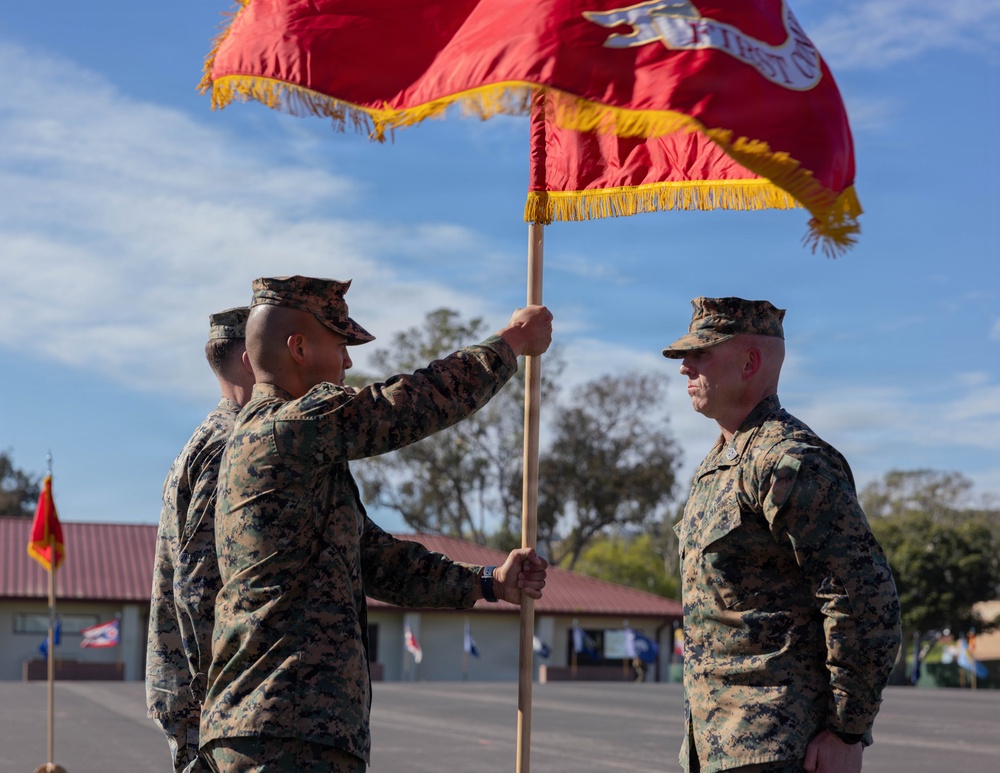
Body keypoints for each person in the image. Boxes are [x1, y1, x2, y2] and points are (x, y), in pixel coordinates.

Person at [201, 275, 553, 772]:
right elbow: (406, 405)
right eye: (340, 345)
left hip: (281, 728)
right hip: (285, 730)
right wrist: (511, 343)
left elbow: (379, 561)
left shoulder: (293, 451)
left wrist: (488, 584)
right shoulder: (288, 428)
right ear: (297, 347)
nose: (347, 362)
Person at [662, 297, 901, 773]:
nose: (685, 367)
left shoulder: (791, 461)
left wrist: (847, 731)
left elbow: (862, 600)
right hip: (715, 744)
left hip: (780, 745)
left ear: (750, 362)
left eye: (702, 353)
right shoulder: (719, 464)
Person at [146, 307, 255, 772]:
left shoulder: (209, 437)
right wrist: (224, 707)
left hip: (203, 709)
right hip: (212, 715)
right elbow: (200, 588)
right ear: (253, 362)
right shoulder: (229, 444)